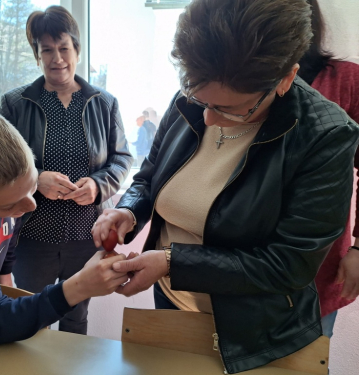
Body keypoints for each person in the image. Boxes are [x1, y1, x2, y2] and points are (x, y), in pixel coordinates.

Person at [91, 0, 359, 373]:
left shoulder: (325, 135)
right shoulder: (192, 96)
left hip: (255, 333)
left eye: (233, 109)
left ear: (286, 78)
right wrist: (128, 209)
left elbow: (288, 265)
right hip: (172, 300)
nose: (208, 118)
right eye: (201, 99)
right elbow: (150, 177)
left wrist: (171, 261)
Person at [0, 107, 130, 344]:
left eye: (32, 188)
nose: (30, 207)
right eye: (10, 206)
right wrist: (79, 287)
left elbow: (10, 230)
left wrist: (5, 272)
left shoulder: (4, 193)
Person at [0, 5, 133, 335]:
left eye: (63, 48)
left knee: (76, 316)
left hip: (87, 235)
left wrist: (99, 185)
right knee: (31, 314)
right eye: (47, 50)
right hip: (32, 235)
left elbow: (122, 159)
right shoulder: (15, 104)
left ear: (77, 50)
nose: (56, 58)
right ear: (37, 53)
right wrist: (36, 179)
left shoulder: (105, 103)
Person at [298, 0, 359, 339]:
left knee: (308, 362)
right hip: (242, 262)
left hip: (320, 265)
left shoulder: (346, 80)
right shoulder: (241, 82)